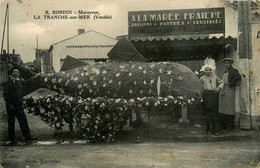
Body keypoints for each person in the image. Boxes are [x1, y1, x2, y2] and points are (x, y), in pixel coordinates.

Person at [2, 68, 38, 145]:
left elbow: (28, 82)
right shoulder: (7, 83)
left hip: (19, 105)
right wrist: (10, 105)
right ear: (11, 74)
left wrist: (35, 78)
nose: (15, 73)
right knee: (11, 122)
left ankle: (27, 136)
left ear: (19, 74)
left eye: (17, 72)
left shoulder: (20, 82)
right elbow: (5, 95)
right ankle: (12, 139)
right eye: (14, 72)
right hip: (11, 105)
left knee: (23, 120)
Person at [199, 58, 224, 135]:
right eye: (206, 70)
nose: (208, 71)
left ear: (212, 70)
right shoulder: (202, 78)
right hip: (206, 95)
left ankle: (214, 130)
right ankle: (208, 129)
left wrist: (218, 88)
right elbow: (198, 86)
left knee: (214, 112)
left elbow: (222, 82)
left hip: (213, 95)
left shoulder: (215, 77)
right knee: (207, 112)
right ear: (204, 71)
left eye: (209, 70)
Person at [218, 58, 241, 131]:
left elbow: (238, 78)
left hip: (230, 91)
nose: (226, 64)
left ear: (231, 64)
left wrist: (231, 84)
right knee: (223, 109)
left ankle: (230, 126)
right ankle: (224, 125)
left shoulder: (234, 71)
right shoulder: (225, 71)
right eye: (225, 63)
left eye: (228, 63)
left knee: (229, 109)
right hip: (224, 91)